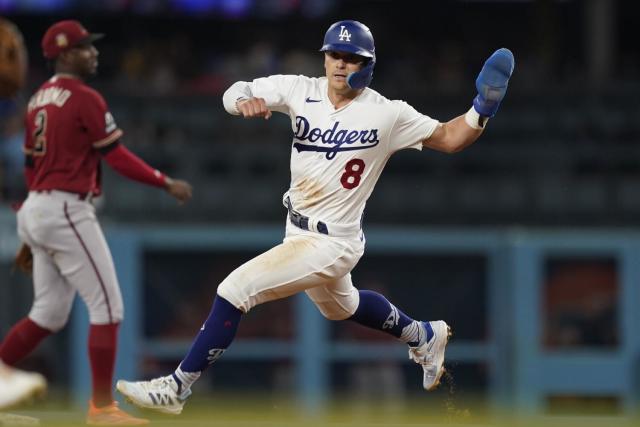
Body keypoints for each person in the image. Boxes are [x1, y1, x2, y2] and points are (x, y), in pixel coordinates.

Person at [116, 20, 514, 415]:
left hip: (333, 242)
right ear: (324, 58)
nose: (341, 64)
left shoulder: (387, 114)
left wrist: (482, 109)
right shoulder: (300, 90)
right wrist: (241, 102)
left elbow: (450, 137)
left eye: (351, 58)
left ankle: (177, 387)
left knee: (236, 289)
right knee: (341, 306)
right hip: (298, 229)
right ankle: (422, 335)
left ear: (368, 65)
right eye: (334, 55)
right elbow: (235, 90)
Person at [0, 20, 192, 425]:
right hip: (66, 207)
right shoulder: (83, 96)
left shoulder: (37, 99)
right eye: (86, 47)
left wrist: (32, 230)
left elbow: (32, 168)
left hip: (37, 205)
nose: (94, 52)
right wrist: (165, 182)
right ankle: (102, 409)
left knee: (48, 314)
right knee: (108, 306)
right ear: (65, 53)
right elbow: (116, 156)